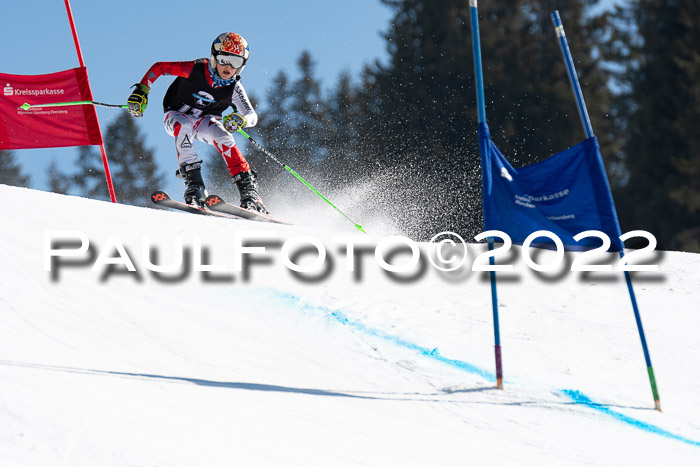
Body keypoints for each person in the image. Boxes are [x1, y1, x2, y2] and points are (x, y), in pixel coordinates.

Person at [126, 32, 267, 213]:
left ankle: (250, 193)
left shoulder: (234, 88)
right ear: (214, 57)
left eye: (236, 62)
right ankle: (195, 186)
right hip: (176, 115)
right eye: (224, 59)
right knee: (183, 127)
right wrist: (143, 89)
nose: (228, 66)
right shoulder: (195, 69)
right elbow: (159, 67)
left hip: (204, 121)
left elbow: (252, 116)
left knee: (223, 135)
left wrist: (241, 120)